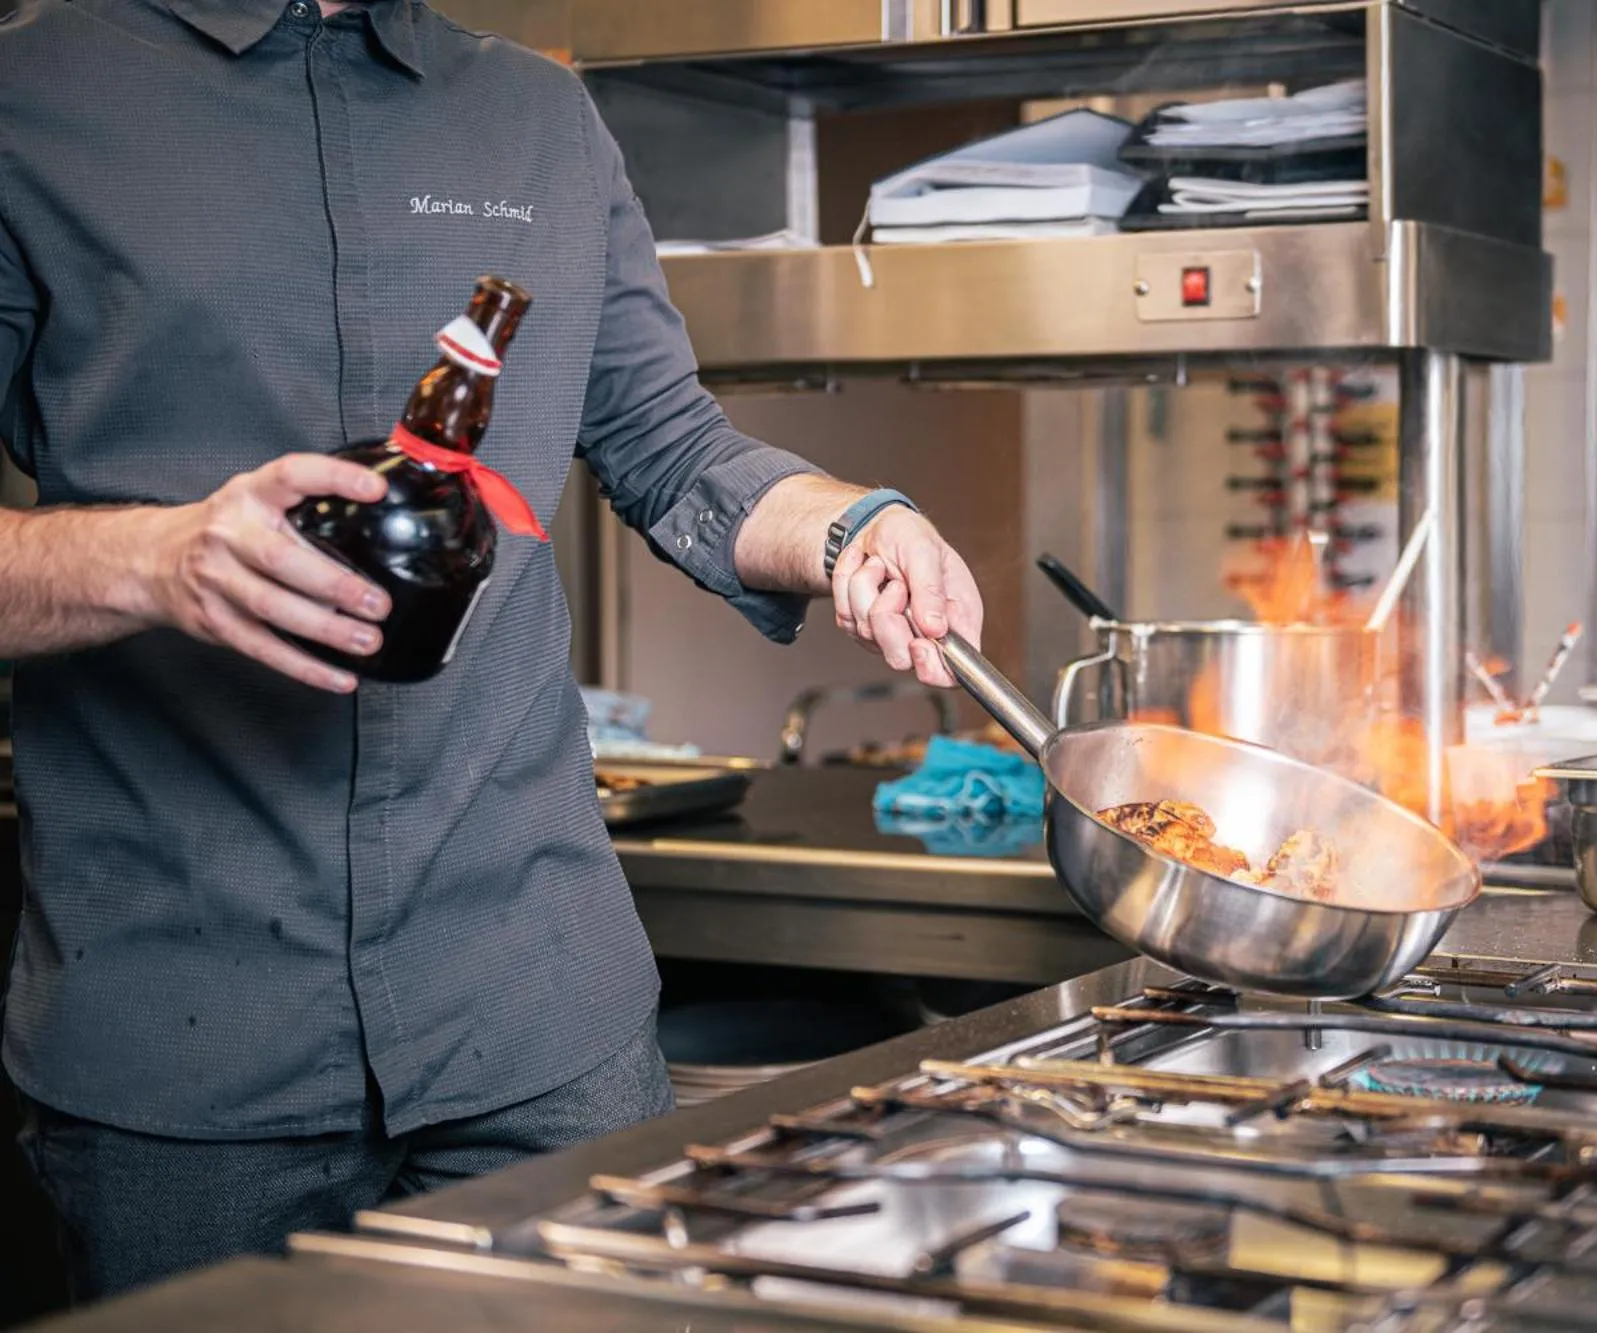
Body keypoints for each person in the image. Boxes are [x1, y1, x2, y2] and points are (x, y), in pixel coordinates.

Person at [0, 0, 984, 1301]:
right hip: (184, 1048)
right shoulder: (36, 96)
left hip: (540, 1024)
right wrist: (151, 559)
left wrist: (854, 522)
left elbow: (669, 440)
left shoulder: (538, 117)